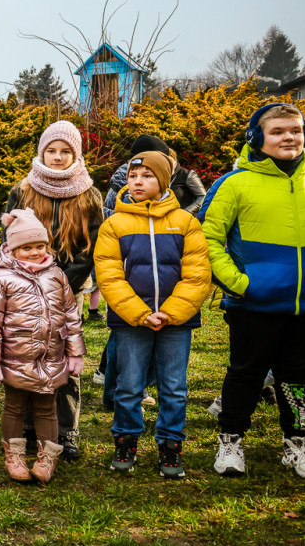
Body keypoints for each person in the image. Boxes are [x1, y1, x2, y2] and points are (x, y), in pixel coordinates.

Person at [200, 103, 305, 479]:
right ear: (257, 138)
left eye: (296, 130)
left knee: (298, 376)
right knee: (246, 373)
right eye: (278, 131)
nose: (289, 137)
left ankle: (299, 446)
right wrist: (240, 284)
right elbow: (207, 238)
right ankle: (231, 440)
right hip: (253, 304)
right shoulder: (233, 183)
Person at [95, 151, 211, 479]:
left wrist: (171, 313)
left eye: (147, 176)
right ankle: (126, 441)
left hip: (177, 322)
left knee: (174, 386)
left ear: (163, 180)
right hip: (132, 322)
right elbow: (109, 275)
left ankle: (170, 445)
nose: (138, 182)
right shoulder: (114, 225)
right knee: (129, 385)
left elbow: (197, 274)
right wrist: (140, 313)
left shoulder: (185, 223)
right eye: (133, 176)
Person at [3, 120, 102, 462]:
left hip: (67, 289)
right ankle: (30, 425)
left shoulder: (88, 193)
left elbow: (92, 247)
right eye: (52, 151)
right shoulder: (24, 189)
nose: (58, 158)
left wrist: (62, 283)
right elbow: (10, 239)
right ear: (42, 151)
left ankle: (65, 430)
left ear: (76, 154)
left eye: (65, 152)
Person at [0, 208, 85, 483]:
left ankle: (46, 458)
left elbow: (72, 315)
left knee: (47, 407)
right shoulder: (0, 279)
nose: (35, 252)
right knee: (14, 406)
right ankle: (14, 455)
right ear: (13, 249)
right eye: (26, 247)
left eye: (39, 245)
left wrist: (75, 352)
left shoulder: (57, 275)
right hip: (15, 358)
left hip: (51, 358)